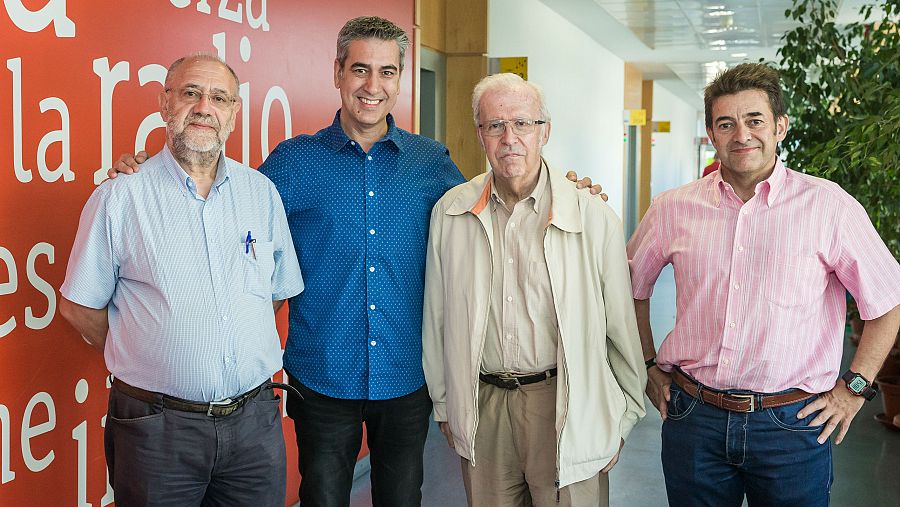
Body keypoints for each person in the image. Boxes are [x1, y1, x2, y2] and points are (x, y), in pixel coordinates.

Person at [108, 17, 604, 506]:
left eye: (387, 72)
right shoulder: (292, 162)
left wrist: (564, 189)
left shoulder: (430, 163)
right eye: (360, 69)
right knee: (322, 498)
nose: (373, 85)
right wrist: (144, 170)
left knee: (403, 497)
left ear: (400, 79)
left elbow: (494, 208)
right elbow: (221, 203)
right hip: (321, 378)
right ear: (338, 74)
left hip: (407, 376)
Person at [627, 63, 900, 506]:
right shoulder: (673, 208)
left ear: (780, 127)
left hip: (792, 424)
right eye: (726, 123)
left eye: (755, 120)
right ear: (712, 134)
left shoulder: (828, 206)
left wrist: (854, 388)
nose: (742, 135)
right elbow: (630, 288)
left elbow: (888, 301)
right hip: (694, 419)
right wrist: (647, 364)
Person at [59, 54, 304, 505]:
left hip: (254, 425)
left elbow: (272, 295)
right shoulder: (121, 197)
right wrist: (143, 347)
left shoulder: (261, 193)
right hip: (156, 429)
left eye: (219, 97)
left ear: (233, 112)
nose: (204, 106)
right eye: (190, 93)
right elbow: (78, 306)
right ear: (164, 103)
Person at [422, 73, 646, 507]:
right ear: (480, 135)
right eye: (496, 125)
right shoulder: (451, 213)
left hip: (566, 403)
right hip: (484, 407)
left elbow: (620, 328)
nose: (510, 138)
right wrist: (446, 407)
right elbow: (437, 319)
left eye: (522, 124)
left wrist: (620, 419)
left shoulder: (591, 216)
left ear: (545, 131)